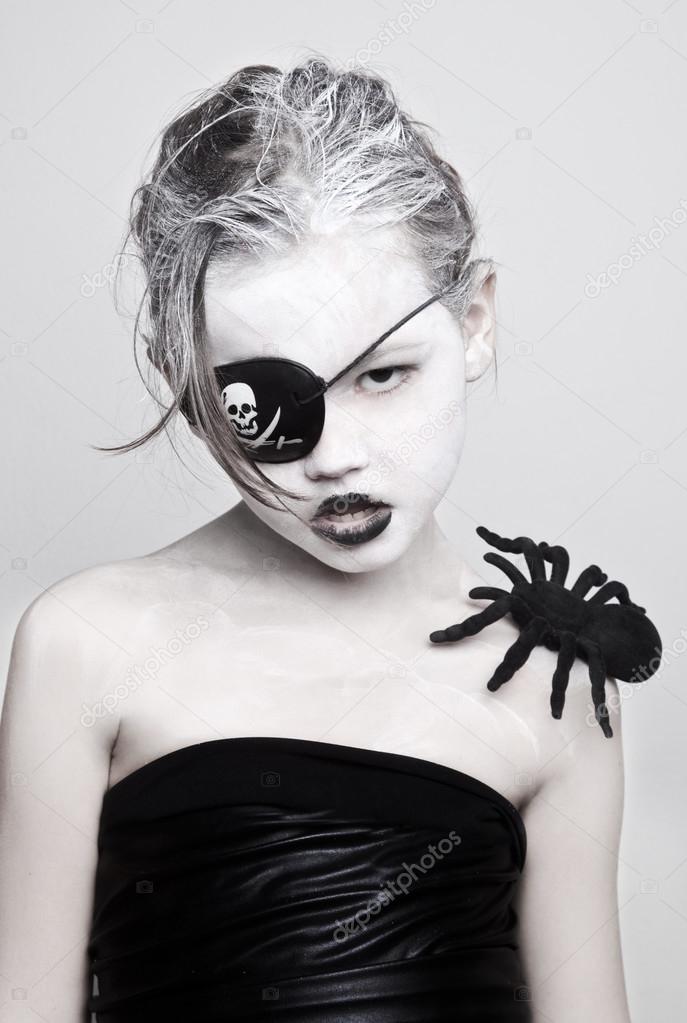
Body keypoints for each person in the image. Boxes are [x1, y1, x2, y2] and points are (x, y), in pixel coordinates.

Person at [0, 55, 631, 1022]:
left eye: (383, 376)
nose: (335, 459)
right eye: (264, 406)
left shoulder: (546, 678)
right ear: (187, 380)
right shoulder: (91, 645)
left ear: (473, 322)